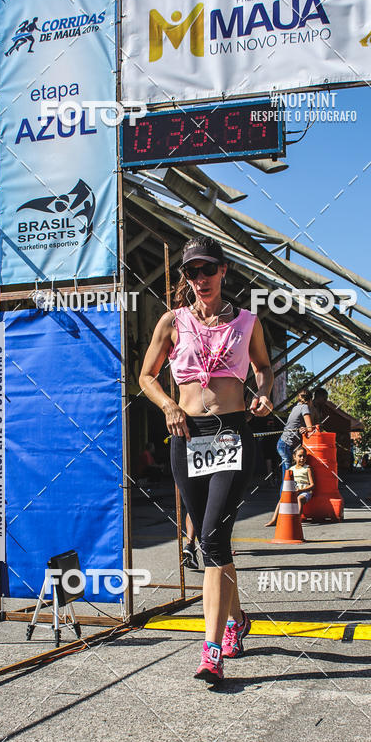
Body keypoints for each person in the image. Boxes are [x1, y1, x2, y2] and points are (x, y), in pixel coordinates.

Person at [139, 235, 273, 682]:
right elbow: (146, 375)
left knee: (213, 537)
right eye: (192, 273)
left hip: (233, 433)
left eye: (208, 270)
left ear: (223, 272)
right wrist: (169, 406)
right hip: (186, 437)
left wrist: (265, 394)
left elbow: (264, 369)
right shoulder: (171, 322)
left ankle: (211, 651)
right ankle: (237, 621)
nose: (201, 279)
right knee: (210, 544)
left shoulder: (247, 322)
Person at [265, 389, 314, 526]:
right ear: (310, 400)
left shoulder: (295, 407)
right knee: (288, 478)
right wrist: (308, 428)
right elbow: (311, 428)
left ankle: (284, 507)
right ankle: (284, 507)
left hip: (283, 443)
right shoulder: (304, 407)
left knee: (288, 477)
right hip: (286, 445)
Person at [291, 446, 315, 516]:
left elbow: (312, 485)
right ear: (294, 457)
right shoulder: (291, 469)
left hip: (305, 492)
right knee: (282, 500)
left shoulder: (307, 468)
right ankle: (274, 519)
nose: (302, 458)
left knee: (299, 498)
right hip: (295, 491)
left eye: (304, 456)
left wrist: (301, 490)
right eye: (300, 456)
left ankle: (297, 519)